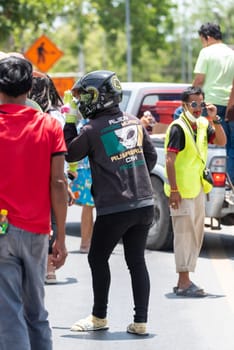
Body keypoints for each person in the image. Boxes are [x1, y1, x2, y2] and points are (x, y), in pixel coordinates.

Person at [64, 70, 157, 335]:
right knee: (136, 260)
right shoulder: (133, 122)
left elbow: (70, 150)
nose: (82, 102)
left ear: (100, 97)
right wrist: (130, 172)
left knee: (97, 257)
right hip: (144, 203)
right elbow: (149, 158)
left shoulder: (92, 130)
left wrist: (70, 117)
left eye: (86, 97)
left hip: (115, 207)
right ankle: (141, 321)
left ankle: (99, 316)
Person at [0, 56, 68, 350]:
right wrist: (61, 237)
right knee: (36, 312)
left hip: (2, 230)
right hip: (38, 231)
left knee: (9, 311)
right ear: (30, 86)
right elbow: (58, 183)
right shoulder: (50, 126)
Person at [164, 86, 226, 297]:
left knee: (196, 235)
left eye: (200, 104)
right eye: (193, 104)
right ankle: (183, 282)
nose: (198, 108)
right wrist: (173, 190)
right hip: (181, 191)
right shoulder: (177, 128)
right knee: (184, 235)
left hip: (197, 188)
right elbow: (169, 160)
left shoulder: (201, 125)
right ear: (184, 105)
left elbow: (221, 141)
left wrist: (215, 119)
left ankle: (186, 279)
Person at [28, 73, 75, 283]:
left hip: (32, 176)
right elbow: (62, 154)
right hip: (54, 174)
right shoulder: (56, 117)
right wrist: (65, 181)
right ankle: (49, 267)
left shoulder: (24, 114)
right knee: (53, 219)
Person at [193, 22, 234, 183]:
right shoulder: (232, 53)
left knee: (212, 146)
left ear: (207, 37)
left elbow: (199, 79)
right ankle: (230, 185)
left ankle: (213, 183)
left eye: (202, 40)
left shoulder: (206, 52)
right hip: (230, 106)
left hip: (210, 106)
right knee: (230, 147)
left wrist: (189, 96)